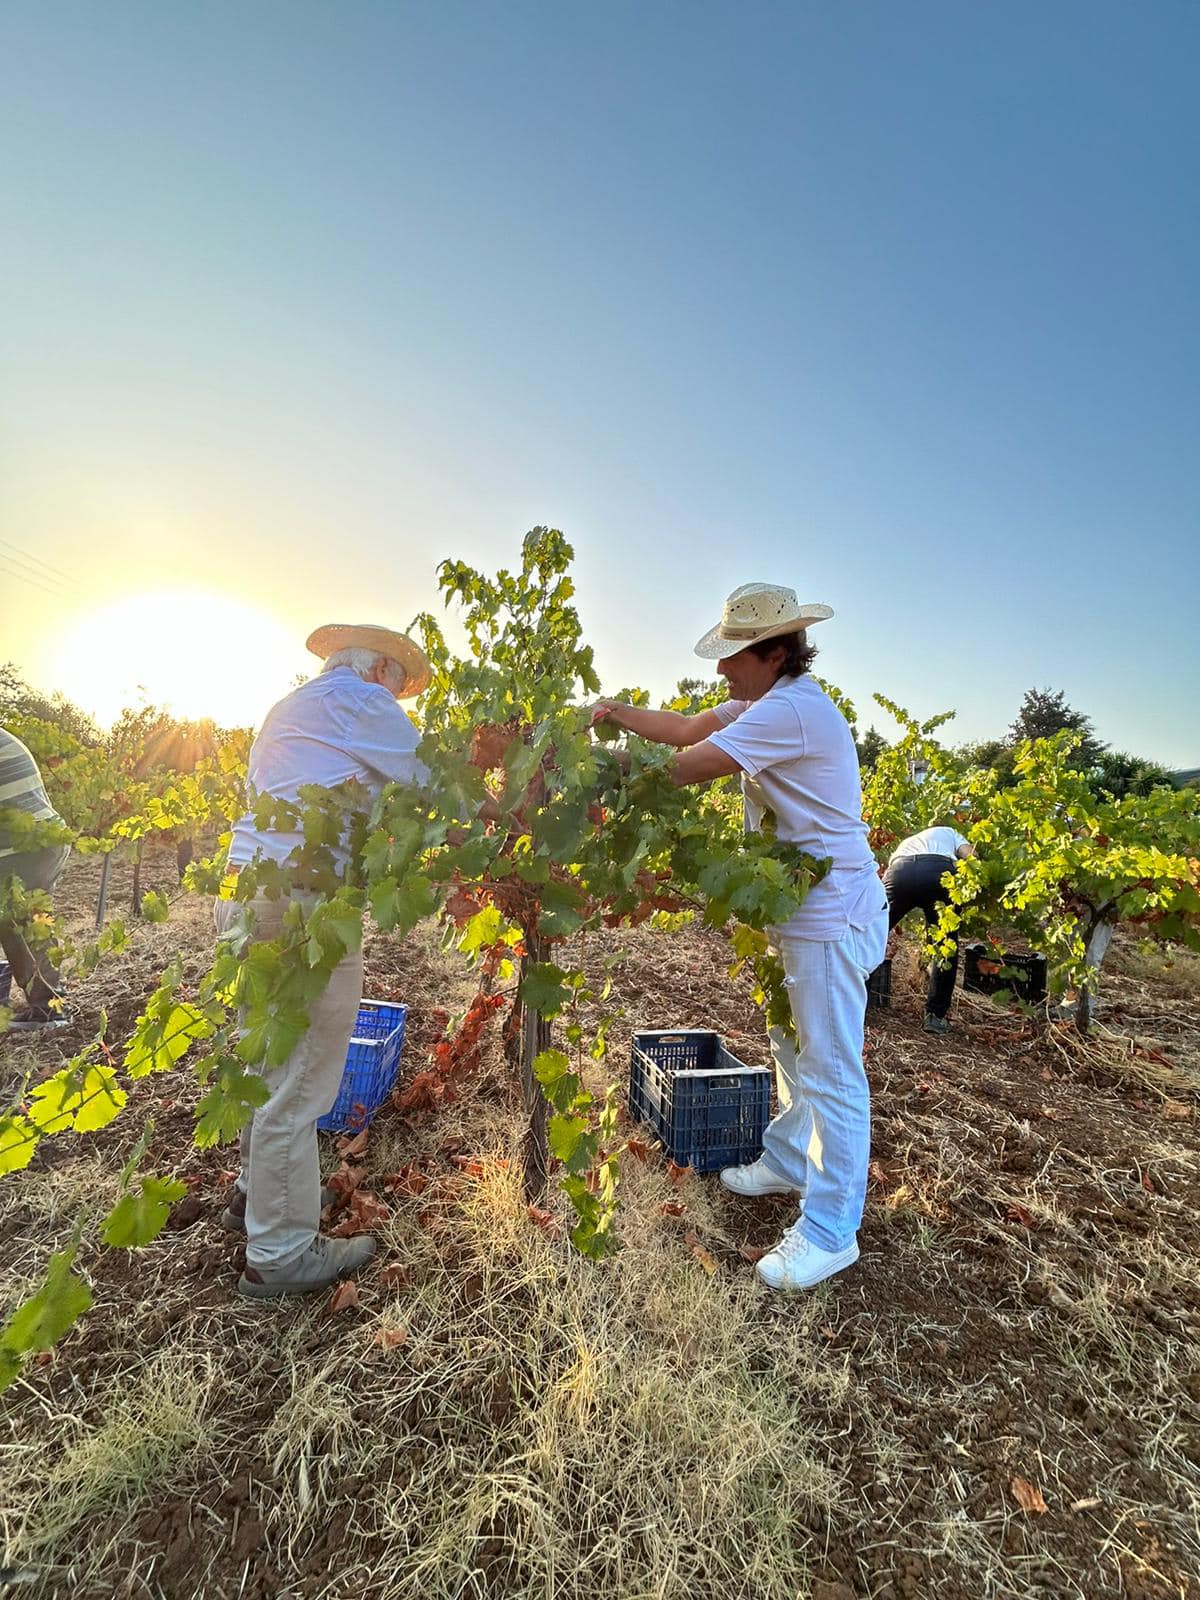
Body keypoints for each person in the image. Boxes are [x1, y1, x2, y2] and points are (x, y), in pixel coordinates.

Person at [592, 582, 887, 1291]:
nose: (722, 669)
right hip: (801, 905)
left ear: (776, 652)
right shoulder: (763, 700)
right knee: (791, 1044)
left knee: (832, 1070)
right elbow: (691, 727)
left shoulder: (791, 711)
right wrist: (612, 714)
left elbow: (692, 767)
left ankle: (829, 1229)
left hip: (829, 913)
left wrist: (601, 770)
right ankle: (789, 1159)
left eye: (733, 656)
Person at [217, 622, 432, 1299]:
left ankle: (256, 1196)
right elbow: (434, 782)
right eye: (399, 685)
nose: (399, 699)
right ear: (377, 673)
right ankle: (279, 1254)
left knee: (267, 1060)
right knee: (303, 1080)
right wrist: (506, 811)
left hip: (246, 893)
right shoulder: (366, 705)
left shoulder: (291, 707)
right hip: (306, 904)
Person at [0, 728, 73, 1032]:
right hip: (40, 839)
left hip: (23, 845)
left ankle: (50, 1010)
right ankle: (47, 1006)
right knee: (21, 923)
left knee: (21, 923)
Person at [883, 823, 975, 1035]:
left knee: (872, 933)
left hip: (899, 872)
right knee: (945, 945)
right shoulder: (951, 832)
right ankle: (934, 1017)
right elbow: (970, 856)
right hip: (938, 873)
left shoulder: (908, 842)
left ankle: (856, 999)